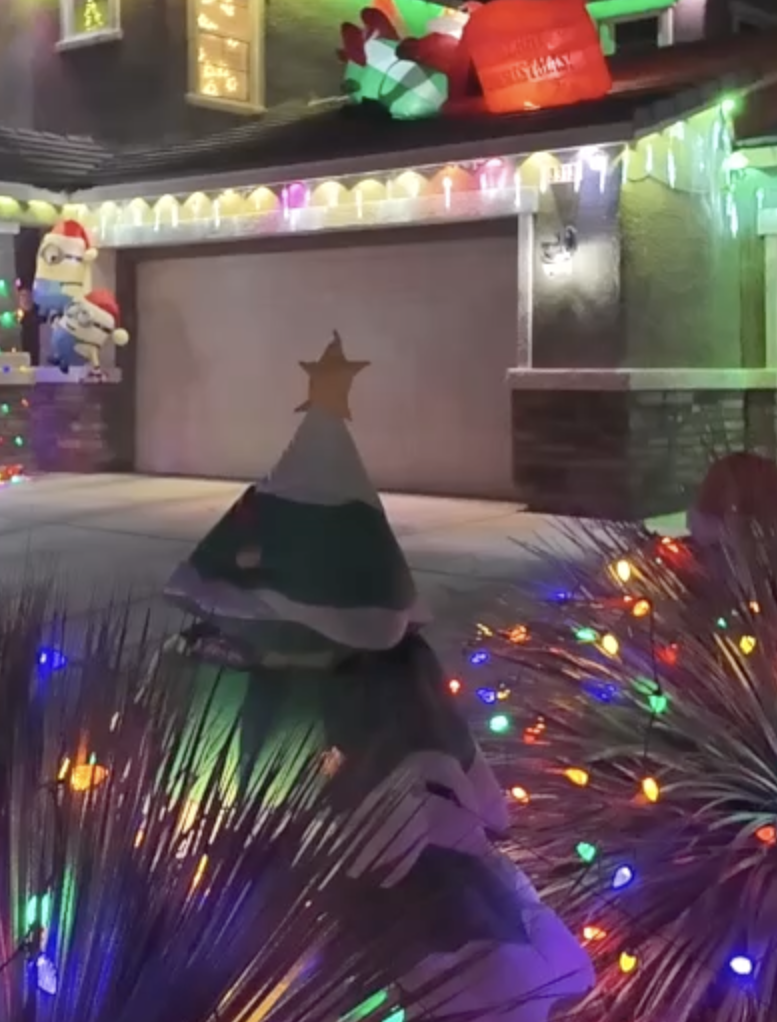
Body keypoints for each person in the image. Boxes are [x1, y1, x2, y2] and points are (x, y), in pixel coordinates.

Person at [164, 334, 593, 1021]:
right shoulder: (269, 667)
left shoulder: (336, 668)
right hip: (331, 887)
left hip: (358, 888)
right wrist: (488, 809)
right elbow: (463, 768)